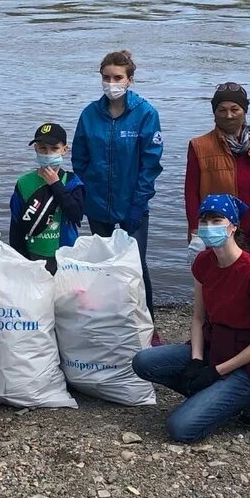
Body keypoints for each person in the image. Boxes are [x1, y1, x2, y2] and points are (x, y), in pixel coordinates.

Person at [131, 194, 250, 442]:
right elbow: (198, 317)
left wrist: (216, 371)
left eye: (216, 220)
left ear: (233, 226)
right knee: (143, 361)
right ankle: (211, 395)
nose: (209, 226)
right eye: (204, 220)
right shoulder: (203, 262)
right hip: (215, 346)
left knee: (180, 428)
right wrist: (196, 360)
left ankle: (243, 400)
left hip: (247, 365)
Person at [71, 50, 164, 317]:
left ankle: (147, 320)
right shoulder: (89, 114)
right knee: (103, 263)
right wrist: (87, 192)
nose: (112, 83)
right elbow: (80, 157)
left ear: (130, 79)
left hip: (132, 203)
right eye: (106, 77)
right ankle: (108, 317)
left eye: (118, 77)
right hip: (97, 203)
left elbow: (151, 163)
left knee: (135, 264)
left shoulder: (145, 114)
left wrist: (139, 201)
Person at [184, 82, 250, 261]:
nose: (229, 115)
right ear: (214, 114)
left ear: (245, 111)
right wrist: (195, 231)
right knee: (217, 281)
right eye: (222, 110)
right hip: (217, 232)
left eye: (235, 109)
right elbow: (191, 193)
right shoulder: (199, 146)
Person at [8, 123, 86, 273]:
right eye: (43, 148)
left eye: (54, 148)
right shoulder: (24, 183)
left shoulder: (72, 182)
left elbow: (76, 215)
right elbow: (16, 226)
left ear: (65, 150)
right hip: (32, 255)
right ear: (35, 148)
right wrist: (20, 259)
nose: (48, 153)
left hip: (64, 256)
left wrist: (56, 184)